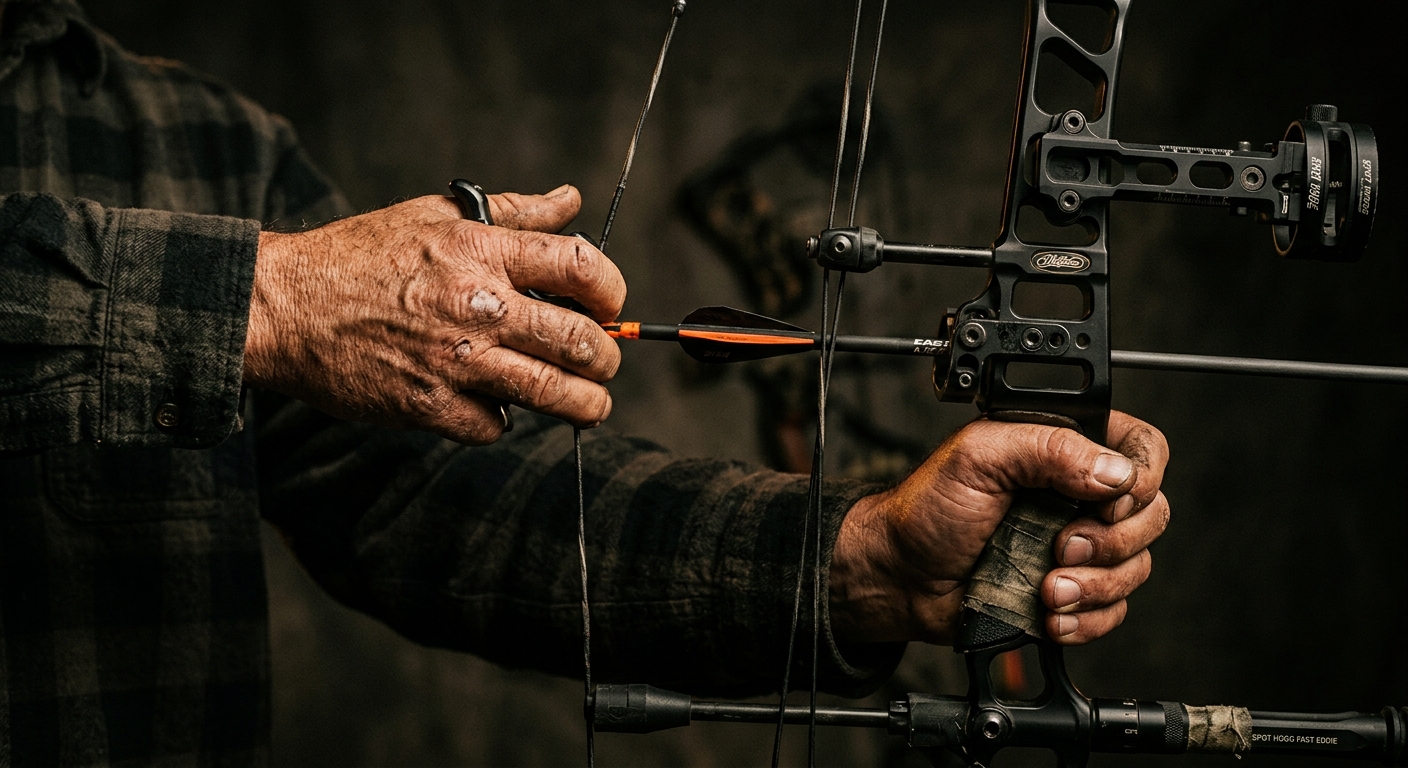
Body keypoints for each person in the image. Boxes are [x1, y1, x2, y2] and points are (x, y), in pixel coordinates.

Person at [0, 0, 1171, 764]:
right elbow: (276, 301)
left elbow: (429, 501)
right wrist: (272, 299)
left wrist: (865, 560)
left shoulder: (201, 139)